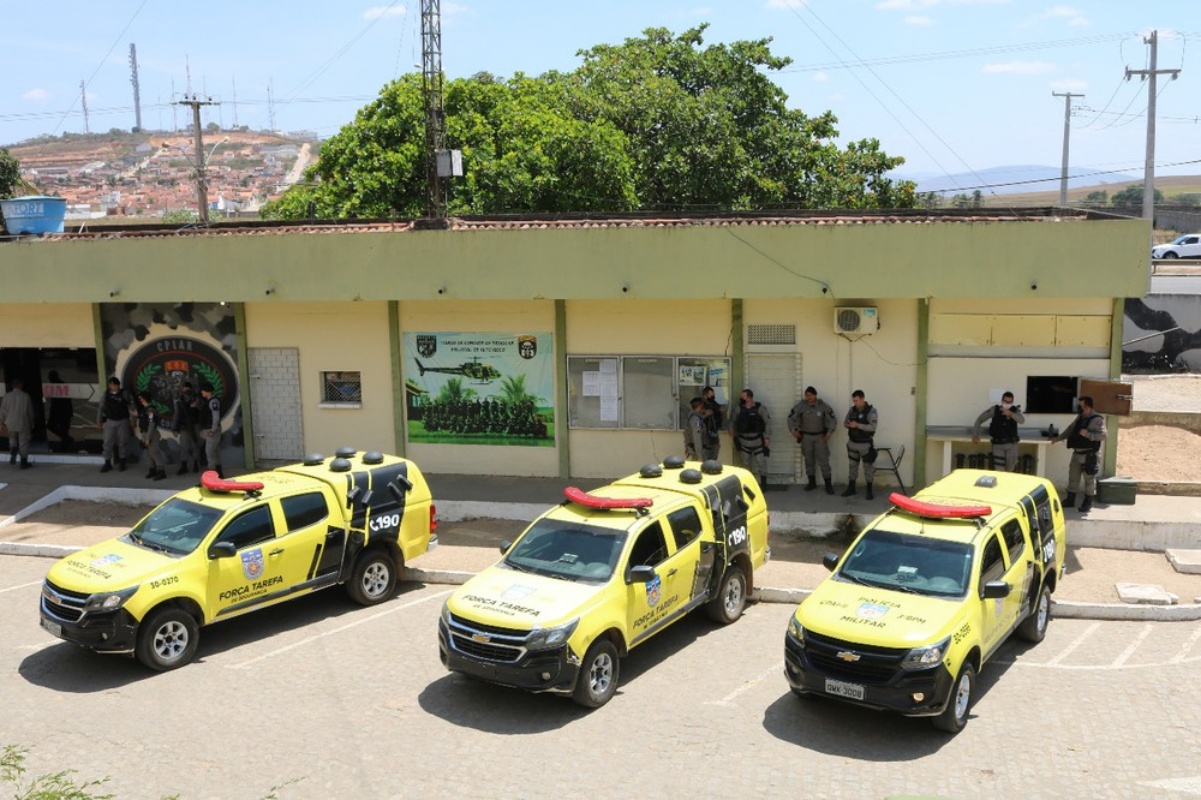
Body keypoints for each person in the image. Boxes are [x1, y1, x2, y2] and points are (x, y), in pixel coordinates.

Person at [1050, 396, 1107, 513]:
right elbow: (1071, 429)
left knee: (1089, 480)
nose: (1079, 408)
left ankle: (1087, 502)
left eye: (1081, 406)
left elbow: (1103, 435)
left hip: (1090, 455)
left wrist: (1088, 434)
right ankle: (1070, 500)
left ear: (1088, 407)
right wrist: (1058, 438)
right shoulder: (1080, 417)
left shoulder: (1097, 419)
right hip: (1077, 453)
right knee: (1073, 478)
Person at [787, 385, 837, 494]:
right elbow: (791, 418)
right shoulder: (801, 406)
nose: (808, 397)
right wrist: (793, 430)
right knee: (808, 460)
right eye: (806, 395)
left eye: (810, 395)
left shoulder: (823, 406)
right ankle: (811, 482)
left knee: (823, 461)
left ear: (815, 395)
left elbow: (833, 420)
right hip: (806, 437)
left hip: (820, 437)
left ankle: (828, 485)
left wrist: (829, 434)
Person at [972, 391, 1026, 472]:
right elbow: (980, 419)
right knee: (999, 471)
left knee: (1010, 470)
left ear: (1012, 402)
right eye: (1005, 401)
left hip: (1011, 445)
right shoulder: (994, 410)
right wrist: (975, 434)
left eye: (1009, 402)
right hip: (998, 445)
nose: (1007, 403)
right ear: (1002, 400)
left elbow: (1022, 420)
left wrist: (1011, 414)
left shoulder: (1015, 410)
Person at [728, 388, 771, 489]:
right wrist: (731, 429)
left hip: (757, 441)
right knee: (745, 463)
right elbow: (732, 421)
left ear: (749, 397)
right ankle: (748, 485)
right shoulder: (738, 409)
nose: (741, 399)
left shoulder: (760, 408)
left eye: (743, 397)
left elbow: (767, 423)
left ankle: (764, 484)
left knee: (761, 462)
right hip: (744, 441)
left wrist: (767, 437)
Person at [842, 390, 878, 500]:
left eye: (856, 400)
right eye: (853, 401)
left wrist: (858, 425)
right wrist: (849, 424)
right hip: (852, 443)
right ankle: (851, 488)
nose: (855, 403)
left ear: (862, 399)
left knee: (868, 467)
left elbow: (872, 427)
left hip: (865, 445)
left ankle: (869, 490)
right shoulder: (852, 410)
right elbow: (844, 423)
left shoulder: (871, 411)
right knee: (852, 466)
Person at [96, 376, 134, 473]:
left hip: (122, 420)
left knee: (122, 442)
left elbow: (132, 407)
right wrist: (99, 421)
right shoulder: (106, 394)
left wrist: (133, 422)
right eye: (112, 385)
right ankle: (107, 462)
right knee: (107, 442)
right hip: (110, 420)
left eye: (116, 385)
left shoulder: (124, 394)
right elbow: (101, 407)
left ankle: (122, 462)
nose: (114, 387)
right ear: (109, 385)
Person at [0, 377, 36, 470]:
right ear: (21, 385)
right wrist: (32, 423)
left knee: (12, 438)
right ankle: (23, 462)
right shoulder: (25, 396)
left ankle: (13, 450)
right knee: (23, 442)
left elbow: (2, 411)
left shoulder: (6, 396)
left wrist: (1, 422)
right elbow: (29, 412)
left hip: (10, 423)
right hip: (23, 422)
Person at [136, 391, 167, 481]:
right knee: (149, 453)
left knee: (154, 452)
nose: (140, 400)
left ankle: (161, 471)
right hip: (145, 432)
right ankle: (152, 469)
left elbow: (151, 423)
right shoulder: (144, 409)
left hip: (151, 433)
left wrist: (148, 438)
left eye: (142, 398)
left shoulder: (150, 410)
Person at [174, 380, 201, 475]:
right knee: (184, 446)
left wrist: (196, 404)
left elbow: (200, 407)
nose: (185, 390)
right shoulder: (179, 400)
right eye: (184, 388)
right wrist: (175, 428)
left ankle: (196, 464)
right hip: (184, 426)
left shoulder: (196, 398)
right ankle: (184, 465)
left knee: (195, 445)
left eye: (187, 388)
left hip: (194, 424)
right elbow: (176, 414)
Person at [44, 370, 74, 452]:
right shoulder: (60, 385)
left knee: (56, 427)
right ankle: (65, 441)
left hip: (61, 412)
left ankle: (64, 445)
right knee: (62, 430)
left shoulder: (57, 386)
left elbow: (59, 402)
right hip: (63, 412)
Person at [199, 382, 223, 479]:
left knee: (209, 452)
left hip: (212, 430)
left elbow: (215, 417)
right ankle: (218, 473)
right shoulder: (208, 401)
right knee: (214, 451)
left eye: (203, 391)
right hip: (209, 429)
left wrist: (213, 429)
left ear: (207, 391)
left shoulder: (213, 402)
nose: (201, 392)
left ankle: (212, 474)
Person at [700, 385, 723, 461]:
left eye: (713, 394)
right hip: (704, 434)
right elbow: (696, 418)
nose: (713, 396)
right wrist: (705, 415)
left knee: (714, 454)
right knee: (706, 456)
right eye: (711, 394)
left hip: (713, 432)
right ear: (705, 395)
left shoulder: (713, 403)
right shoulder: (700, 405)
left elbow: (719, 410)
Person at [683, 396, 705, 461]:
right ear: (699, 406)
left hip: (694, 449)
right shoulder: (695, 420)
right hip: (697, 451)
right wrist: (699, 455)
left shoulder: (692, 417)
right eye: (702, 406)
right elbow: (697, 437)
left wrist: (687, 446)